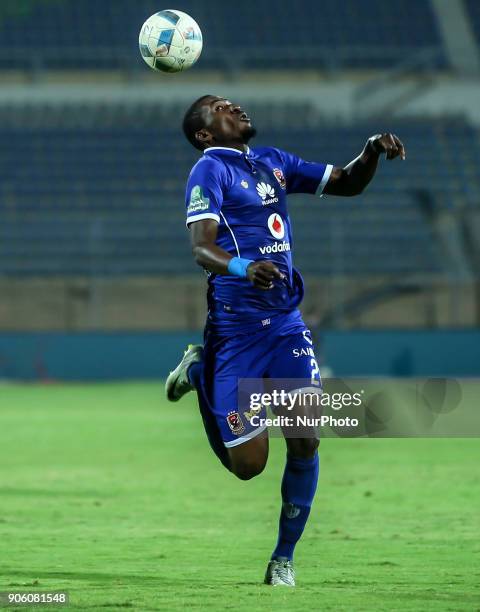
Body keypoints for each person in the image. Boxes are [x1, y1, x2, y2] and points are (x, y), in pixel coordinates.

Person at [165, 95, 405, 586]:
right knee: (249, 466)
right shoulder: (208, 172)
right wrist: (243, 266)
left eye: (232, 102)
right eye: (220, 108)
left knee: (306, 437)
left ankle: (284, 559)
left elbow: (348, 183)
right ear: (205, 134)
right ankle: (198, 371)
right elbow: (201, 248)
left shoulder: (272, 161)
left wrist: (370, 153)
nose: (234, 107)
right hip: (234, 334)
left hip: (286, 325)